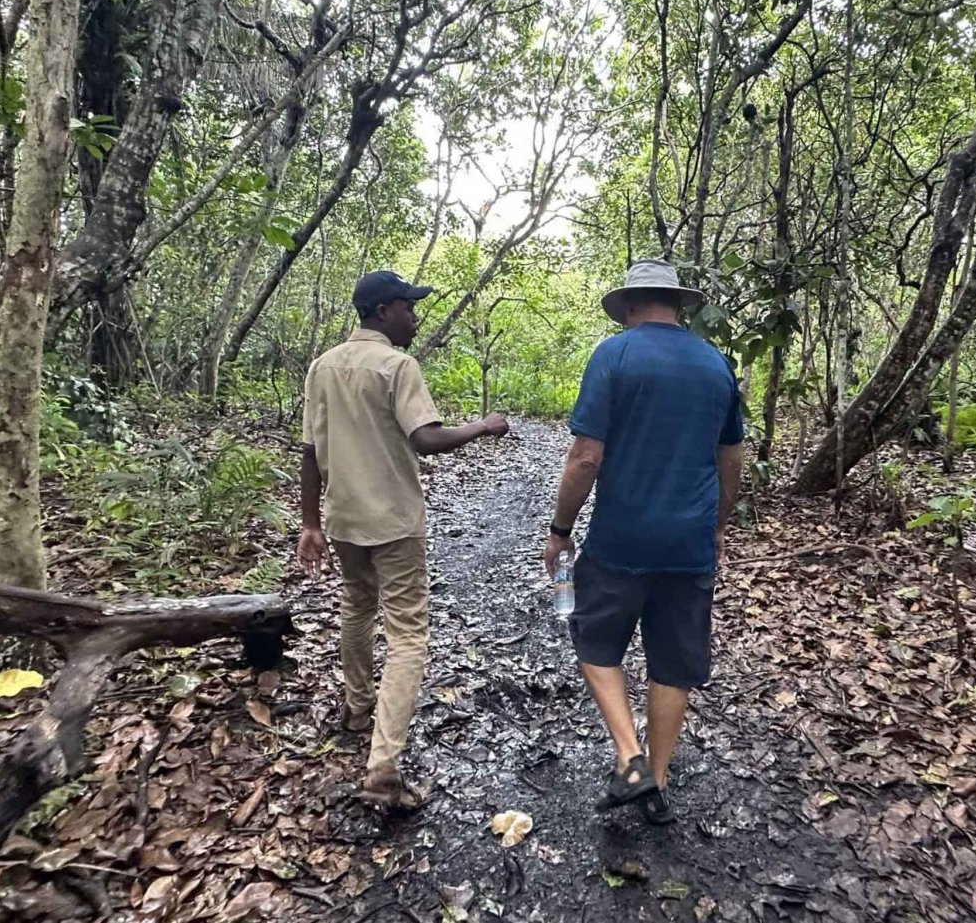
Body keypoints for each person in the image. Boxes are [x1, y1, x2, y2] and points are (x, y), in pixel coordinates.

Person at [542, 259, 744, 825]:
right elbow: (731, 459)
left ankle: (630, 758)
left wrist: (560, 531)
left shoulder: (615, 354)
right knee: (673, 659)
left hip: (621, 539)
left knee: (594, 639)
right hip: (690, 542)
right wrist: (718, 525)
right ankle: (656, 781)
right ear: (678, 305)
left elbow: (585, 457)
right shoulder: (716, 364)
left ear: (630, 305)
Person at [298, 269, 508, 809]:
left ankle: (357, 708)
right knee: (408, 633)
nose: (415, 318)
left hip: (344, 517)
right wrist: (483, 427)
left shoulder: (323, 366)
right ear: (384, 311)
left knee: (357, 604)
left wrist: (311, 523)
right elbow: (426, 439)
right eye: (409, 308)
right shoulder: (397, 366)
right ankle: (383, 767)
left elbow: (309, 451)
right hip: (393, 519)